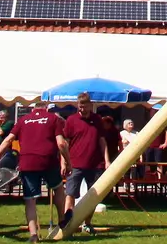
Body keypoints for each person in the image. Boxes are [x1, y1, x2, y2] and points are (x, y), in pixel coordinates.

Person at [0, 101, 69, 243]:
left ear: (33, 109)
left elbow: (8, 140)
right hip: (48, 160)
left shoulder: (23, 120)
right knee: (58, 189)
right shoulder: (53, 118)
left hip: (27, 162)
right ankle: (62, 220)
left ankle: (33, 235)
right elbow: (61, 143)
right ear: (46, 108)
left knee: (30, 200)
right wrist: (67, 162)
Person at [62, 95, 110, 234]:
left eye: (84, 105)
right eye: (80, 106)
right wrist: (63, 162)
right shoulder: (71, 120)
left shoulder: (97, 120)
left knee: (93, 198)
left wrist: (107, 160)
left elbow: (102, 141)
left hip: (95, 164)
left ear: (90, 105)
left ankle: (87, 224)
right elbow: (65, 143)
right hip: (75, 163)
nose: (82, 108)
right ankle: (67, 221)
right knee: (70, 193)